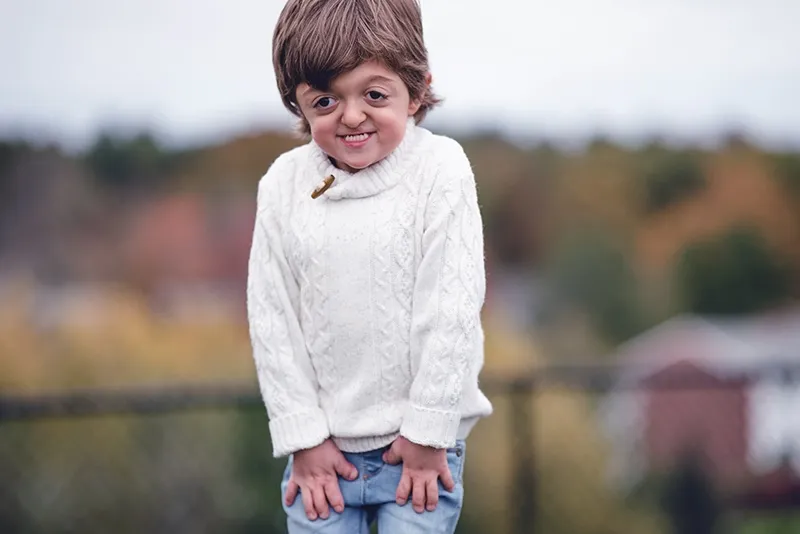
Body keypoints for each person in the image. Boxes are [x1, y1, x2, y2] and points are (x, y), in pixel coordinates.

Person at [246, 0, 493, 532]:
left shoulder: (441, 171)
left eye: (374, 94)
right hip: (321, 463)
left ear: (418, 89)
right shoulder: (283, 186)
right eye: (325, 100)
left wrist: (428, 434)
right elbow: (272, 321)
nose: (352, 115)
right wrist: (303, 439)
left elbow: (451, 311)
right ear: (299, 104)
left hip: (419, 458)